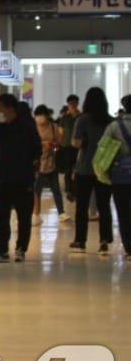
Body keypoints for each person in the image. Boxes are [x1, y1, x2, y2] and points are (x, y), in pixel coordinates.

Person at [0, 94, 41, 263]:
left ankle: (2, 250)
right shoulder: (28, 127)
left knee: (5, 216)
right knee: (21, 216)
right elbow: (36, 151)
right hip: (23, 177)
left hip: (7, 177)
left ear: (8, 107)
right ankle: (19, 249)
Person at [71, 87, 115, 254]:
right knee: (104, 206)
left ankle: (80, 241)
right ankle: (104, 242)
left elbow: (75, 143)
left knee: (81, 207)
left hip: (84, 169)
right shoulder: (111, 121)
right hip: (104, 169)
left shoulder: (82, 120)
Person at [103, 95, 131, 261]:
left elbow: (103, 149)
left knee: (123, 212)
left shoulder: (114, 126)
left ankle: (129, 247)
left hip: (120, 174)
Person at [32, 105, 67, 224]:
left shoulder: (53, 127)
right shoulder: (33, 127)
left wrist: (52, 144)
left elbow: (58, 142)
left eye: (41, 115)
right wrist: (42, 144)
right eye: (37, 115)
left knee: (55, 188)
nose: (39, 118)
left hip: (51, 161)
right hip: (37, 162)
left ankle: (61, 212)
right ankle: (36, 213)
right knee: (37, 189)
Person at [56, 94, 80, 203]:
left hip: (79, 146)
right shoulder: (65, 118)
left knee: (78, 169)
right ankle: (69, 190)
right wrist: (59, 144)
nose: (73, 105)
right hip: (66, 146)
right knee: (68, 169)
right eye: (71, 103)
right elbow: (61, 133)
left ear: (77, 103)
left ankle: (75, 189)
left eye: (74, 103)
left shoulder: (81, 116)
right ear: (68, 104)